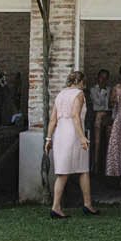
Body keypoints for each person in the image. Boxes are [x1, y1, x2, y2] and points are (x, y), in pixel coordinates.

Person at [44, 70, 94, 218]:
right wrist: (82, 137)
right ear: (81, 82)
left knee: (63, 172)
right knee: (82, 169)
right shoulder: (78, 94)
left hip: (59, 132)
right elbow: (75, 116)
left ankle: (58, 206)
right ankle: (85, 204)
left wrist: (48, 138)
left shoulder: (60, 94)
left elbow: (52, 119)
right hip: (73, 133)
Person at [88, 69, 112, 178]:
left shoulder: (110, 89)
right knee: (97, 142)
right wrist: (103, 93)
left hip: (106, 116)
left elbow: (109, 105)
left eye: (105, 77)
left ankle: (107, 165)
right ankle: (95, 165)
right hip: (96, 115)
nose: (103, 80)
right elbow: (98, 104)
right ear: (98, 78)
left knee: (108, 139)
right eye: (101, 77)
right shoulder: (93, 89)